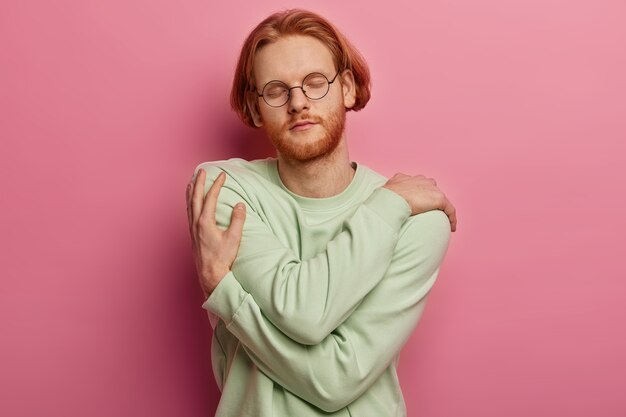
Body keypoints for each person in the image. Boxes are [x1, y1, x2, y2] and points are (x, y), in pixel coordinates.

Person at [185, 8, 457, 417]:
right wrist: (389, 205)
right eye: (276, 90)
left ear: (346, 88)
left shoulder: (419, 221)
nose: (298, 103)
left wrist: (228, 297)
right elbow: (306, 313)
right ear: (256, 108)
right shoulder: (223, 191)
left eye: (315, 83)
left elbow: (334, 381)